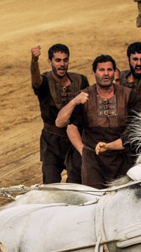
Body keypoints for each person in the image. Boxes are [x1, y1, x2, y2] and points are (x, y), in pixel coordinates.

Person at [56, 55, 137, 189]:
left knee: (124, 196)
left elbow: (136, 128)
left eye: (109, 70)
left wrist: (111, 146)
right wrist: (83, 150)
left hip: (122, 158)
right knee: (94, 197)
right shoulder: (84, 96)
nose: (106, 73)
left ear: (114, 72)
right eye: (101, 70)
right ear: (94, 73)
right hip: (93, 162)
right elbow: (62, 123)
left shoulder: (129, 95)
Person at [31, 44, 90, 184]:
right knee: (50, 184)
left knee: (76, 183)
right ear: (50, 62)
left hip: (74, 140)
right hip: (51, 142)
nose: (62, 64)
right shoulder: (45, 81)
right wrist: (34, 61)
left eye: (65, 60)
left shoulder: (80, 80)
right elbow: (36, 81)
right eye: (58, 60)